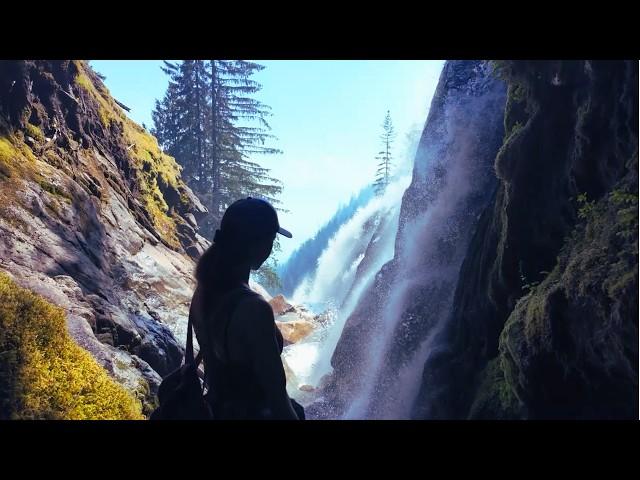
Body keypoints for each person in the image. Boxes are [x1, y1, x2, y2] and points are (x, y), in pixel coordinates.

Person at [190, 197, 304, 420]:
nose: (271, 248)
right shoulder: (254, 310)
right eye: (271, 240)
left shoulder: (203, 292)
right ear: (258, 246)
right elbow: (278, 400)